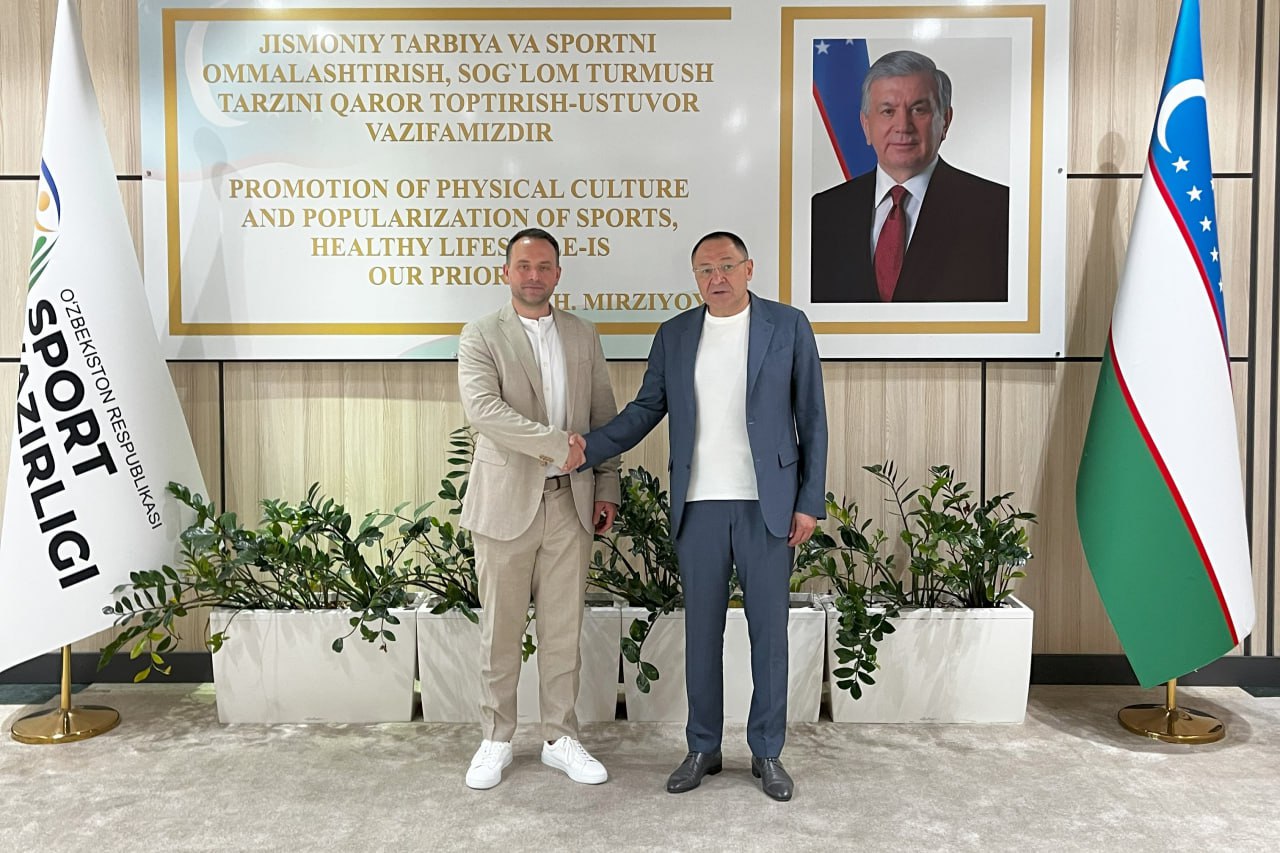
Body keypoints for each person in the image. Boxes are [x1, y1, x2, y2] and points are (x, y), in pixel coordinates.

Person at [573, 231, 827, 802]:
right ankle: (703, 747)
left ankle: (767, 752)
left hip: (768, 506)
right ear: (695, 278)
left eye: (727, 266)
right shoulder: (676, 334)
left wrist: (810, 500)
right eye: (705, 270)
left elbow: (812, 415)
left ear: (749, 269)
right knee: (701, 635)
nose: (717, 278)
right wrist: (586, 449)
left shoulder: (788, 326)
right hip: (698, 506)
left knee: (769, 636)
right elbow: (645, 410)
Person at [456, 227, 620, 790]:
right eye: (523, 266)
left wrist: (607, 486)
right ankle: (496, 738)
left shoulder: (582, 334)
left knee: (562, 631)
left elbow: (602, 417)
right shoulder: (481, 334)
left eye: (544, 266)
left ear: (557, 274)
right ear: (506, 272)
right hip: (504, 503)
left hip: (571, 503)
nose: (533, 275)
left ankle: (559, 737)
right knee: (500, 631)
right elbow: (484, 411)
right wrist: (556, 445)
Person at [810, 49, 1009, 303]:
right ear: (866, 126)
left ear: (945, 121)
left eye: (918, 110)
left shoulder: (999, 209)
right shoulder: (822, 213)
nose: (903, 126)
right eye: (888, 111)